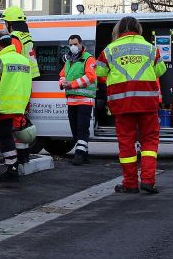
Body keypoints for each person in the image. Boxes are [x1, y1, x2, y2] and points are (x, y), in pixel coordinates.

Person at [95, 16, 166, 194]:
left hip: (121, 103)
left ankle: (130, 183)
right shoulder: (151, 49)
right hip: (147, 103)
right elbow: (160, 70)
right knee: (149, 141)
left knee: (126, 143)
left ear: (118, 30)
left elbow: (100, 71)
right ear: (138, 29)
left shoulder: (109, 50)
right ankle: (149, 181)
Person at [0, 31, 32, 182]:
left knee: (4, 137)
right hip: (19, 105)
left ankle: (12, 167)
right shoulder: (24, 60)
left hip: (3, 105)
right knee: (6, 136)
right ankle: (11, 164)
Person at [1, 6, 38, 164]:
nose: (4, 25)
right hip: (26, 84)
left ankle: (17, 160)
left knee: (15, 123)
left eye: (5, 22)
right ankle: (23, 156)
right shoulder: (27, 37)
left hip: (16, 84)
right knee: (21, 120)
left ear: (11, 23)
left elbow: (12, 59)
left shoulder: (15, 38)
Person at [59, 35, 96, 165]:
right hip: (71, 101)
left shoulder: (88, 59)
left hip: (85, 100)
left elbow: (90, 77)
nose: (73, 47)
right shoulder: (69, 59)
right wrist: (62, 83)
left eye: (75, 44)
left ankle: (79, 155)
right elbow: (63, 74)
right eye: (71, 44)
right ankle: (84, 154)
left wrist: (72, 84)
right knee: (75, 129)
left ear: (81, 44)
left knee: (82, 129)